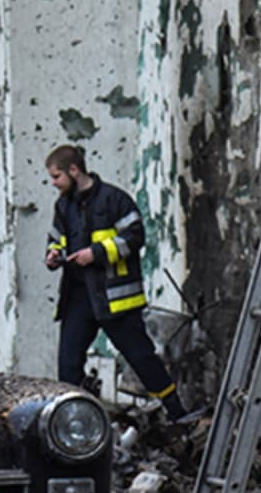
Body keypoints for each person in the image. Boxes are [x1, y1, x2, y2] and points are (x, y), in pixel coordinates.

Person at [44, 144, 194, 427]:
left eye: (56, 177)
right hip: (78, 298)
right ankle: (78, 424)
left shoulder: (115, 200)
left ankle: (178, 415)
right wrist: (53, 254)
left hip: (115, 300)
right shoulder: (63, 205)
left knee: (142, 359)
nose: (53, 183)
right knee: (68, 366)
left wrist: (96, 253)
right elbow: (56, 238)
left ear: (74, 170)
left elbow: (135, 236)